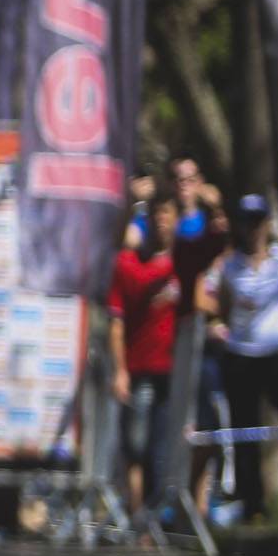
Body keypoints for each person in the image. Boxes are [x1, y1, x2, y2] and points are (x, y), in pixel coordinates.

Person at [198, 193, 278, 524]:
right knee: (246, 432)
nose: (252, 229)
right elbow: (221, 304)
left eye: (258, 221)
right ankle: (253, 505)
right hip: (243, 356)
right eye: (246, 221)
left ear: (267, 224)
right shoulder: (229, 266)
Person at [107, 185, 183, 523]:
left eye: (169, 217)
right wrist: (120, 370)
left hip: (176, 369)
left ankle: (162, 515)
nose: (162, 224)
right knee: (135, 445)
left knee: (164, 446)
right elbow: (116, 323)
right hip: (140, 367)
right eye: (156, 217)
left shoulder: (186, 265)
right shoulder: (128, 265)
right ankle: (138, 516)